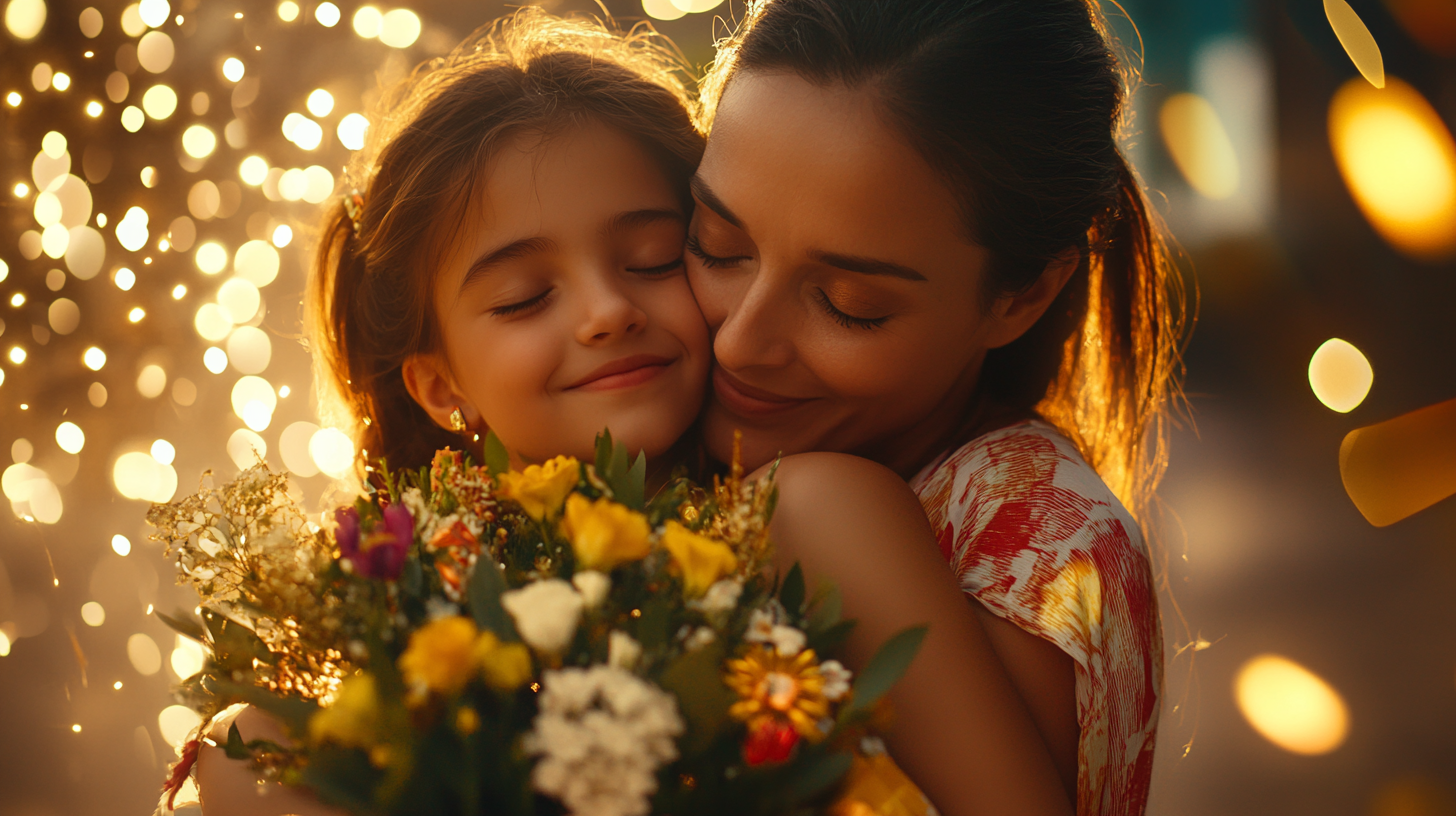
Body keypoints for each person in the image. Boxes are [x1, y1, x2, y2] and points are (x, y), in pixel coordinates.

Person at [196, 9, 1068, 816]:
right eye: (525, 297)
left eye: (655, 258)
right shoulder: (420, 612)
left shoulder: (816, 509)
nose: (606, 310)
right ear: (438, 385)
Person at [685, 1, 1187, 813]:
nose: (741, 343)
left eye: (849, 304)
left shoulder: (1035, 558)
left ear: (1022, 295)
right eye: (716, 244)